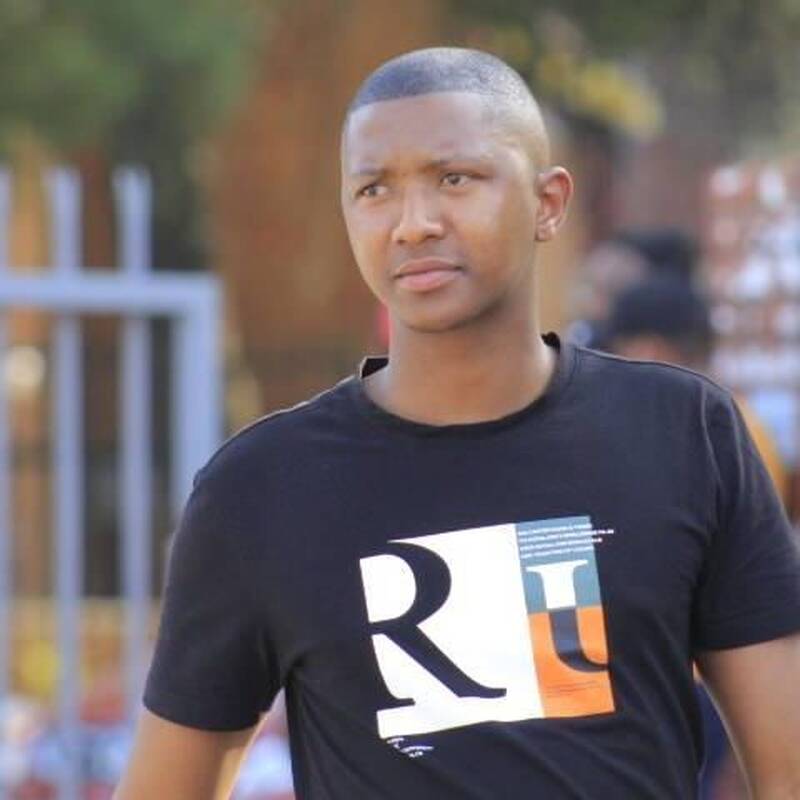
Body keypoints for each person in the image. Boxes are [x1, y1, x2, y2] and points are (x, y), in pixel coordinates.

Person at [114, 48, 800, 799]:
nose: (413, 224)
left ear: (548, 202)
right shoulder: (261, 489)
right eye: (374, 189)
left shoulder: (683, 434)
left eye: (455, 179)